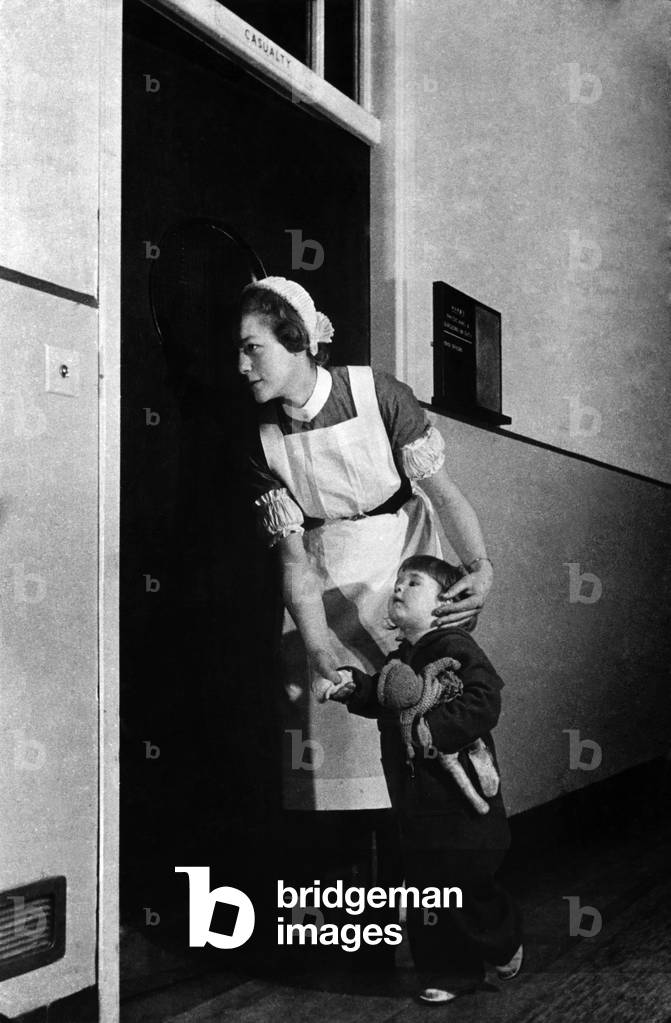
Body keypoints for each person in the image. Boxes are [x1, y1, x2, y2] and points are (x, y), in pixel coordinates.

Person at [239, 276, 494, 809]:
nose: (241, 366)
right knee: (337, 737)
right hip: (327, 578)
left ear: (297, 340)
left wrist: (480, 565)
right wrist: (317, 646)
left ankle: (440, 857)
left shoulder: (377, 392)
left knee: (427, 712)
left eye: (252, 348)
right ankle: (358, 876)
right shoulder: (260, 438)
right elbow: (294, 563)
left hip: (404, 559)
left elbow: (444, 495)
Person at [331, 554, 522, 1002]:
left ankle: (502, 939)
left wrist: (432, 729)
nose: (399, 587)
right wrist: (350, 687)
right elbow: (382, 694)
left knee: (468, 880)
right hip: (417, 802)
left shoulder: (455, 647)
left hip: (462, 800)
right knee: (428, 892)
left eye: (413, 583)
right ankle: (448, 974)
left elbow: (485, 698)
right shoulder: (402, 658)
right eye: (398, 581)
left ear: (444, 604)